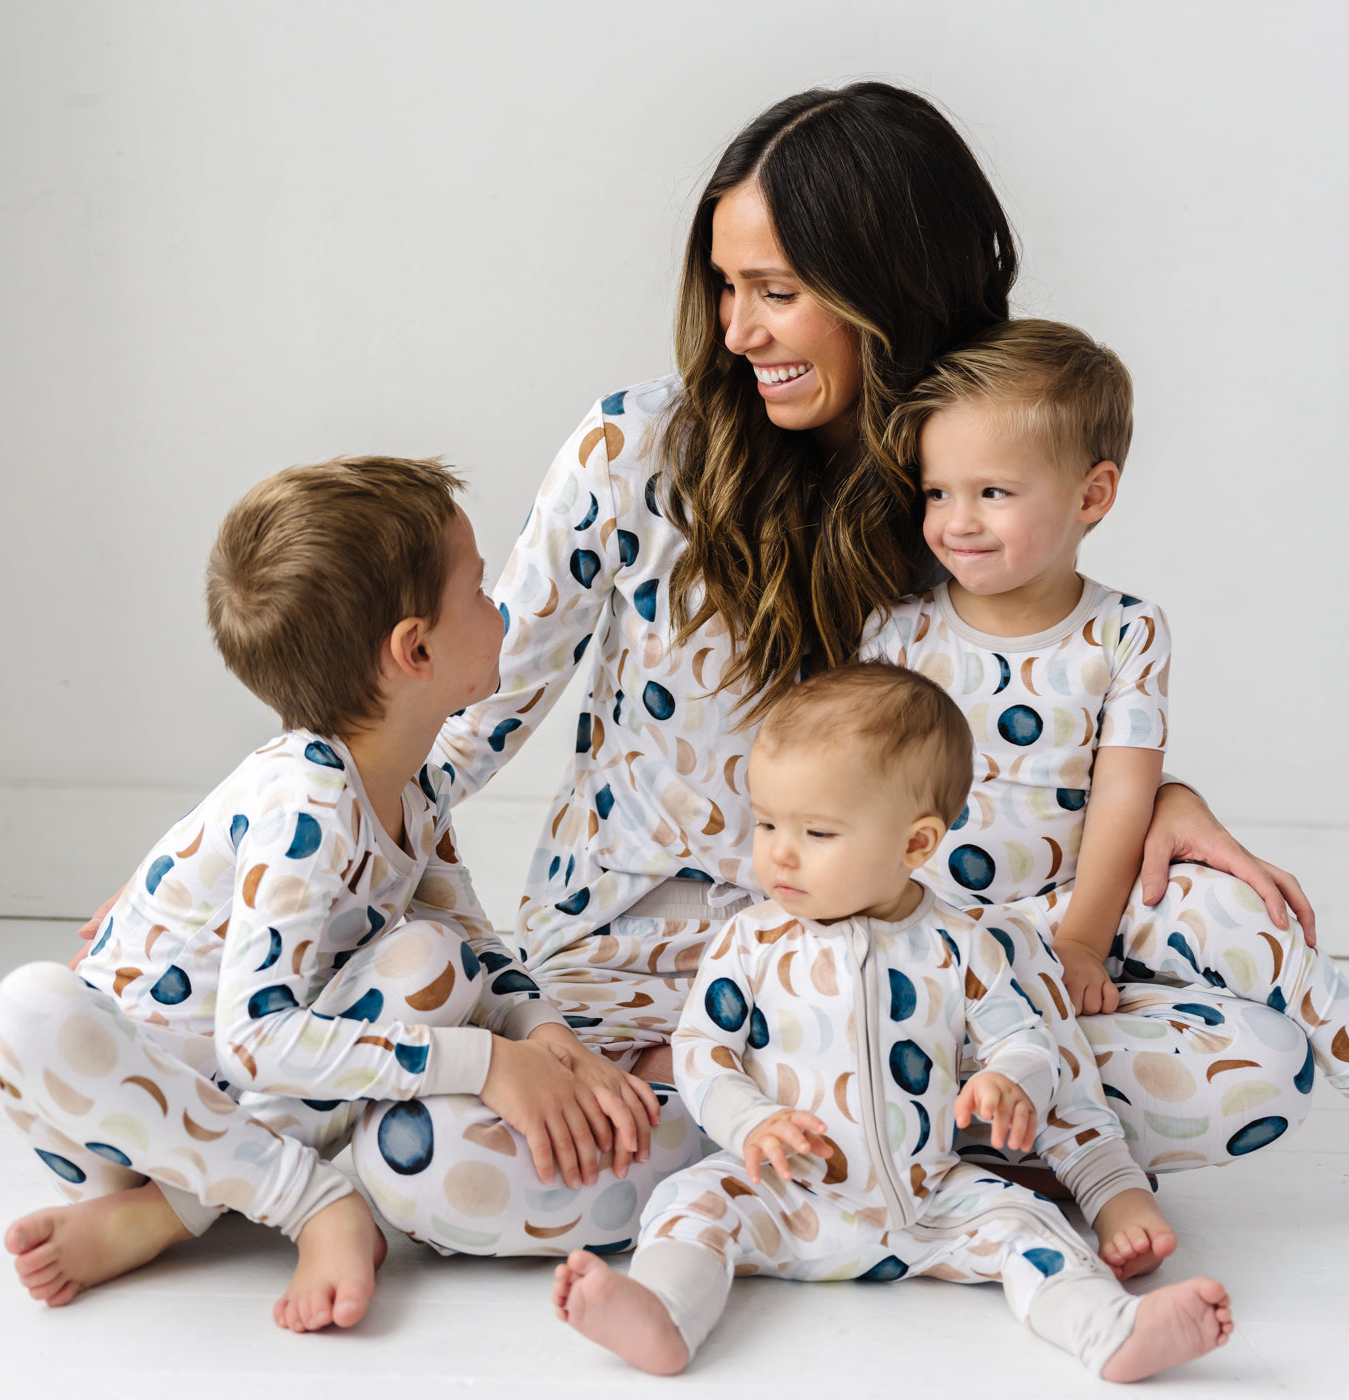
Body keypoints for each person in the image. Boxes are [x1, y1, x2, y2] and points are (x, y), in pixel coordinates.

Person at [414, 82, 1315, 1236]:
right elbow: (462, 718)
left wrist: (1150, 799)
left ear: (890, 292)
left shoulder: (967, 471)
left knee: (1257, 1033)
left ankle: (823, 1141)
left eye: (776, 294)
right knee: (439, 1157)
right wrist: (325, 859)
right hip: (643, 965)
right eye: (726, 290)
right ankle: (838, 1134)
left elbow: (1023, 703)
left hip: (915, 956)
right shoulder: (633, 450)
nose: (737, 332)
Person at [0, 456, 677, 1331]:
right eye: (477, 589)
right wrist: (487, 1064)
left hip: (234, 1122)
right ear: (415, 649)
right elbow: (255, 1037)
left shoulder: (415, 788)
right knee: (22, 1009)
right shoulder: (308, 805)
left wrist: (545, 1037)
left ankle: (169, 1215)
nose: (500, 605)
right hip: (121, 1119)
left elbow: (475, 945)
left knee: (436, 956)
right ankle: (311, 1204)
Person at [551, 664, 1233, 1382]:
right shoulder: (753, 940)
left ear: (915, 843)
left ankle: (1109, 1330)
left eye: (816, 831)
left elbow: (1025, 1039)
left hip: (929, 1197)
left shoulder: (959, 945)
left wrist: (1008, 1078)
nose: (779, 851)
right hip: (783, 1194)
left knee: (1030, 1226)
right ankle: (661, 1313)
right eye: (768, 822)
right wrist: (750, 1122)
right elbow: (701, 1052)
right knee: (687, 1203)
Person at [858, 318, 1349, 1142]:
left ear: (1092, 495)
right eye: (938, 492)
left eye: (994, 492)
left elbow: (1126, 796)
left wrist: (1084, 939)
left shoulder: (1125, 630)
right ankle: (991, 1106)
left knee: (1233, 911)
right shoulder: (897, 633)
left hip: (1082, 908)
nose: (956, 521)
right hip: (938, 931)